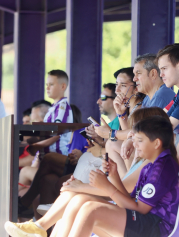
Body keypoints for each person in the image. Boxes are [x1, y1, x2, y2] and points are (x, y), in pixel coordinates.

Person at [4, 111, 178, 237]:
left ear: (156, 143)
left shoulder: (161, 168)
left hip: (155, 227)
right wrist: (114, 176)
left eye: (139, 140)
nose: (135, 144)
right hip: (143, 220)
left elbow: (140, 209)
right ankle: (40, 229)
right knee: (80, 200)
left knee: (91, 209)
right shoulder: (153, 164)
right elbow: (132, 200)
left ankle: (39, 228)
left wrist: (108, 188)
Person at [18, 84, 119, 217]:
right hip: (87, 165)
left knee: (48, 163)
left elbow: (113, 151)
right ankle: (44, 230)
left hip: (97, 169)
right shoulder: (106, 126)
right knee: (48, 180)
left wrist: (93, 150)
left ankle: (27, 203)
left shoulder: (117, 124)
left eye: (103, 97)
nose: (98, 101)